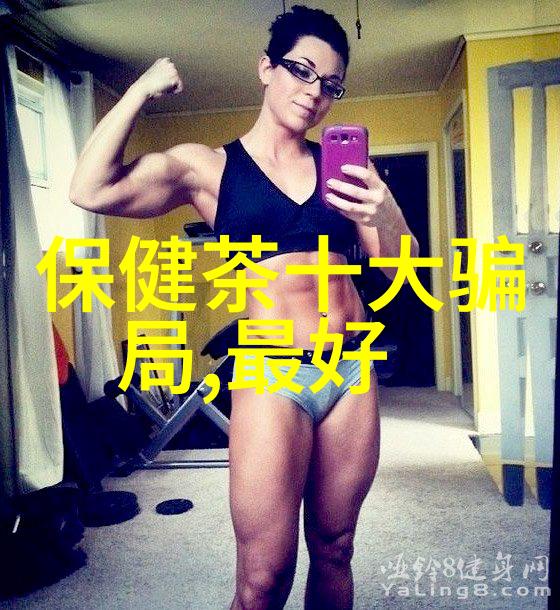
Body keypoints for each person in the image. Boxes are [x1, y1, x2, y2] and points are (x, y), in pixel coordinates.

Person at [70, 5, 419, 609]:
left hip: (351, 370)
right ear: (266, 68)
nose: (314, 93)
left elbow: (401, 269)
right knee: (262, 579)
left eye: (331, 84)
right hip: (270, 372)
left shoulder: (346, 170)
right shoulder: (208, 166)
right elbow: (89, 188)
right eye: (301, 71)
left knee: (336, 548)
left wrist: (382, 207)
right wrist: (141, 90)